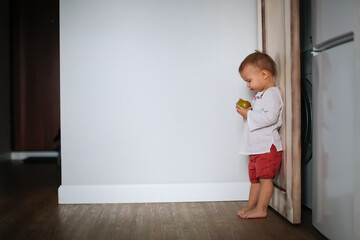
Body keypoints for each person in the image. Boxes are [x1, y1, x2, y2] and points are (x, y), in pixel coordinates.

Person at [235, 51, 283, 219]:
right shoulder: (259, 96)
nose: (248, 85)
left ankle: (261, 208)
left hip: (266, 148)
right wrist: (247, 113)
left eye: (249, 80)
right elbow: (257, 120)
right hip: (256, 149)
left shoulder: (272, 94)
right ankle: (251, 205)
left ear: (264, 74)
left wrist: (249, 114)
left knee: (265, 179)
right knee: (255, 179)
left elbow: (271, 117)